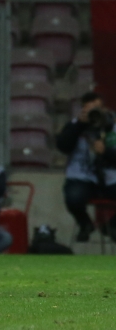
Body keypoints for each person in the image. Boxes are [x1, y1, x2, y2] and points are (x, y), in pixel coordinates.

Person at [56, 92, 116, 242]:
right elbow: (63, 147)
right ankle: (85, 224)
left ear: (104, 108)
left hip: (111, 178)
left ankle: (112, 226)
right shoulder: (74, 125)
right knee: (73, 197)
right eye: (89, 110)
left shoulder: (113, 126)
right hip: (82, 177)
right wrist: (79, 125)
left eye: (97, 109)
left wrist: (106, 152)